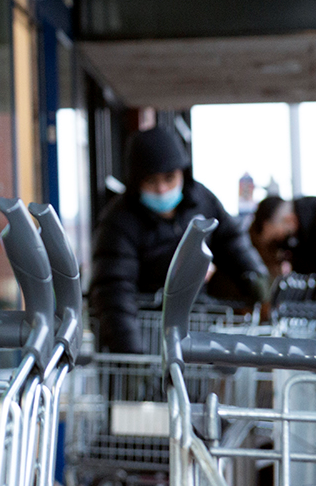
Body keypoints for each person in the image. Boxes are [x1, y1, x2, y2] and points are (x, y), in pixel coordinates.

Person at [89, 126, 268, 353]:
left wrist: (254, 277)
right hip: (145, 333)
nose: (162, 189)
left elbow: (232, 241)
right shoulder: (118, 223)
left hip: (193, 329)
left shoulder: (202, 200)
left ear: (183, 173)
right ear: (136, 183)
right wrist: (132, 354)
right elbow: (114, 291)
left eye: (169, 178)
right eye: (151, 181)